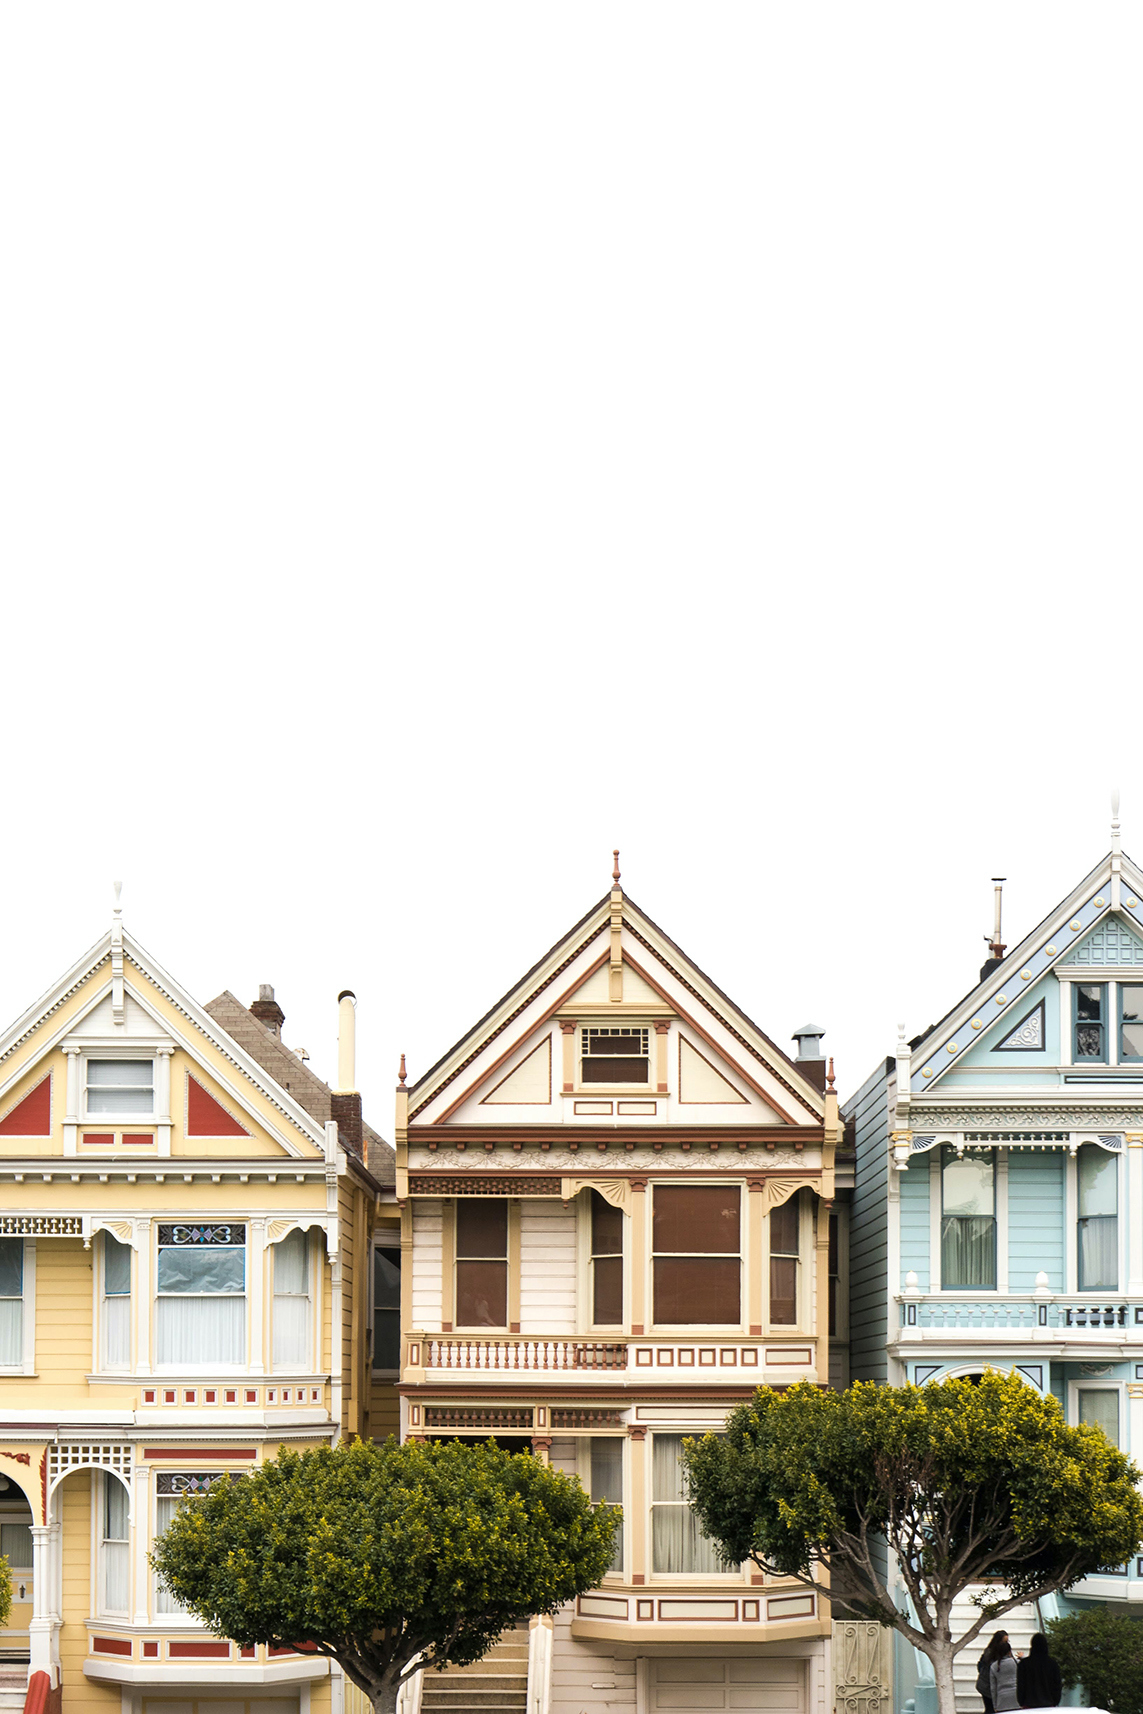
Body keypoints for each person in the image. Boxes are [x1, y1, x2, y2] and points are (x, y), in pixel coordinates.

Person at [1017, 1633, 1062, 1708]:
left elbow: (1021, 1685)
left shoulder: (1024, 1664)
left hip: (1028, 1705)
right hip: (1048, 1705)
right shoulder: (1052, 1664)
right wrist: (1055, 1701)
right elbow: (1057, 1685)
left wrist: (1021, 1702)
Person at [976, 1632, 1009, 1714]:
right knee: (990, 1709)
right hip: (987, 1686)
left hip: (993, 1686)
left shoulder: (1001, 1654)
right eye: (1004, 1642)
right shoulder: (990, 1654)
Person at [990, 1639, 1019, 1713]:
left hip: (1002, 1700)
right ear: (1009, 1651)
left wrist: (995, 1705)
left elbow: (993, 1687)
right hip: (1017, 1698)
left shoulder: (994, 1666)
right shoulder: (1016, 1663)